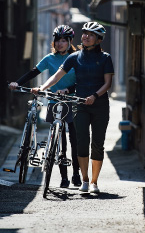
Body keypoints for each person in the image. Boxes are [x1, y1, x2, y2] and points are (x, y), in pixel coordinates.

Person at [33, 21, 114, 194]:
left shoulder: (105, 58)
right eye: (84, 33)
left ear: (98, 40)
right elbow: (55, 77)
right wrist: (42, 88)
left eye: (91, 34)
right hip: (80, 105)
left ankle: (94, 181)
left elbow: (107, 83)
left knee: (97, 144)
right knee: (81, 143)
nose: (86, 36)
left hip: (100, 105)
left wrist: (95, 96)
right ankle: (84, 179)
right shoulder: (74, 57)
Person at [9, 25, 81, 188]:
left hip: (72, 101)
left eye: (64, 40)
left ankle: (76, 173)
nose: (60, 43)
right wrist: (17, 83)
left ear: (70, 42)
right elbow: (33, 72)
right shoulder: (49, 58)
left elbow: (81, 81)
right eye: (58, 40)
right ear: (54, 42)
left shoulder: (76, 58)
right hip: (55, 101)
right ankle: (64, 177)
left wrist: (68, 90)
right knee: (59, 138)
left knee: (74, 140)